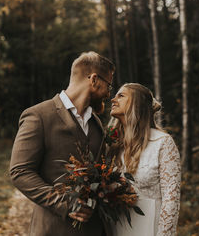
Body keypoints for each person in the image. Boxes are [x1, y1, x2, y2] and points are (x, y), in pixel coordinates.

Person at [9, 51, 115, 236]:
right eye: (109, 85)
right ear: (94, 79)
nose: (109, 94)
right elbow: (20, 172)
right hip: (54, 229)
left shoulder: (96, 124)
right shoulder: (38, 116)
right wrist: (66, 204)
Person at [108, 83, 181, 236]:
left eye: (121, 96)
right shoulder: (111, 146)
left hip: (150, 227)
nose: (113, 100)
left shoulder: (162, 143)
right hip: (117, 228)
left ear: (136, 103)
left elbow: (171, 199)